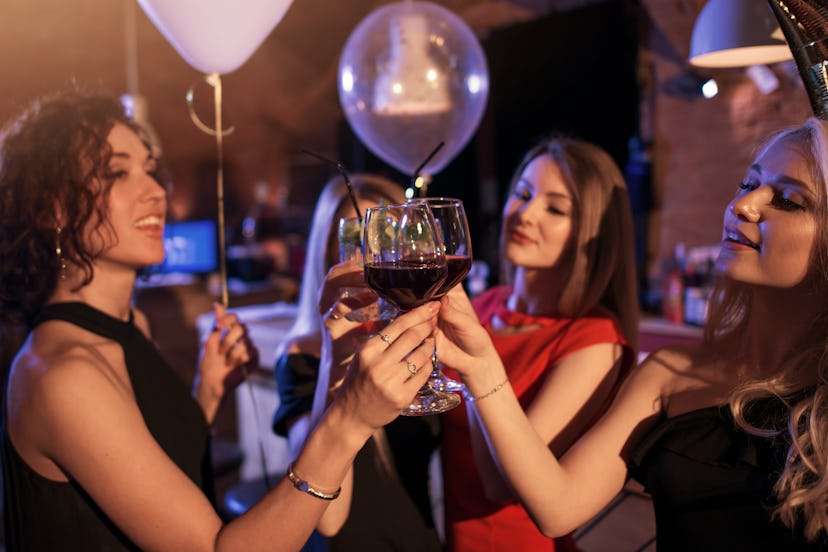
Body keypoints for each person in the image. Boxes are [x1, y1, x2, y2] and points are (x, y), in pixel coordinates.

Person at [0, 90, 437, 551]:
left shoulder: (131, 328)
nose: (154, 190)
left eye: (150, 169)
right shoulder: (62, 373)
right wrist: (349, 417)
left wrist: (204, 396)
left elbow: (154, 471)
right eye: (116, 172)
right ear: (52, 208)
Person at [436, 118, 828, 550]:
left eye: (790, 200)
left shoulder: (594, 337)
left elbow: (502, 489)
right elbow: (557, 507)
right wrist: (474, 365)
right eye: (747, 183)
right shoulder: (670, 372)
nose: (743, 205)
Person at [438, 135, 639, 551]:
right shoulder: (487, 305)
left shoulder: (595, 338)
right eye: (523, 194)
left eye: (555, 208)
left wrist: (476, 365)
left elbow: (499, 485)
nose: (525, 214)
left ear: (592, 233)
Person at [272, 174, 443, 550]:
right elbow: (328, 520)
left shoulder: (419, 343)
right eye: (356, 243)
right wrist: (338, 358)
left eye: (386, 240)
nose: (372, 258)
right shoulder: (303, 356)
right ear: (329, 255)